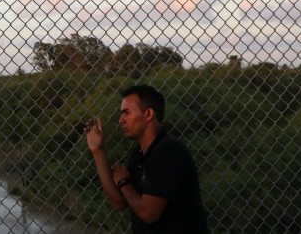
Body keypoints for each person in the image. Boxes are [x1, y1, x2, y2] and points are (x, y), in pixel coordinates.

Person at [84, 84, 209, 233]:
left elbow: (149, 213)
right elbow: (119, 202)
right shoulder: (140, 153)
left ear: (148, 114)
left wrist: (124, 183)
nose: (121, 120)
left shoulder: (169, 151)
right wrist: (98, 151)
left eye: (127, 113)